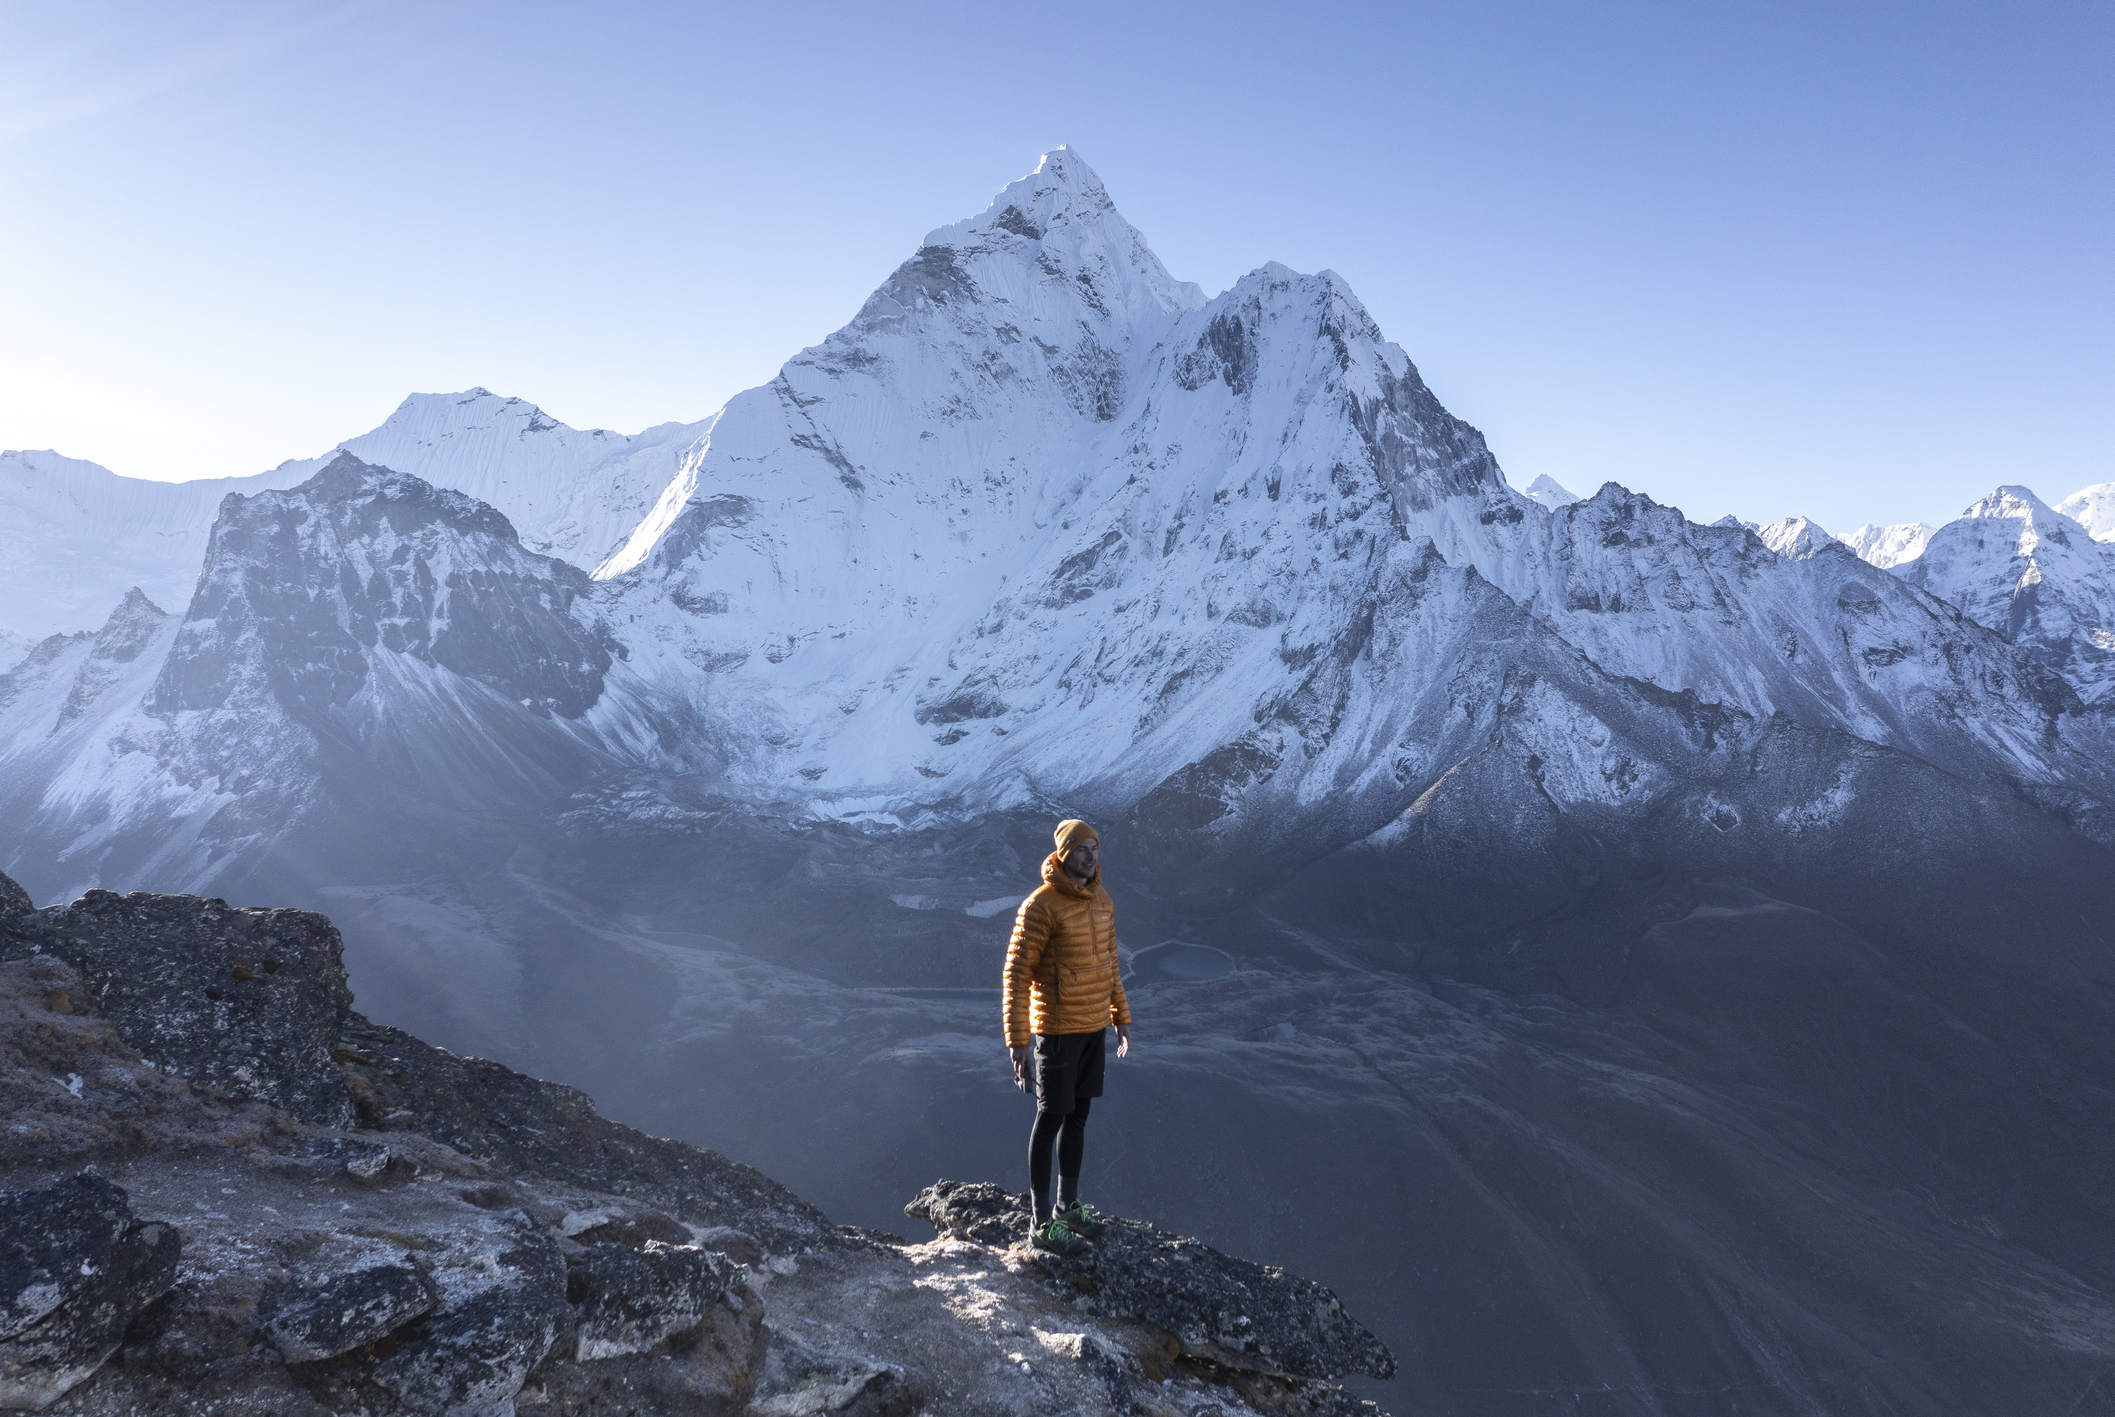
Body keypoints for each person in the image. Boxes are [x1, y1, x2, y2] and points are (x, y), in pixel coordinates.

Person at [1002, 818, 1132, 1254]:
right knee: (1051, 1118)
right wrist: (1018, 1041)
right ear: (1063, 854)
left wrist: (1120, 1016)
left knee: (1077, 1117)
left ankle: (1067, 1208)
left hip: (1093, 1026)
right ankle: (1040, 1226)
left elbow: (1111, 964)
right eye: (1082, 849)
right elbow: (1017, 975)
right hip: (1056, 1030)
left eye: (1095, 848)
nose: (1091, 856)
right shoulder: (1041, 906)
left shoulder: (1102, 902)